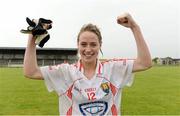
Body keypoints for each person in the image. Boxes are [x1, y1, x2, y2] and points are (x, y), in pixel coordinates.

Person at [23, 12, 152, 115]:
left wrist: (134, 27)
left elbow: (145, 63)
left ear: (100, 45)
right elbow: (30, 72)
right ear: (77, 45)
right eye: (83, 44)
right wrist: (33, 36)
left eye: (93, 44)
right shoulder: (65, 72)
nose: (88, 49)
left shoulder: (113, 68)